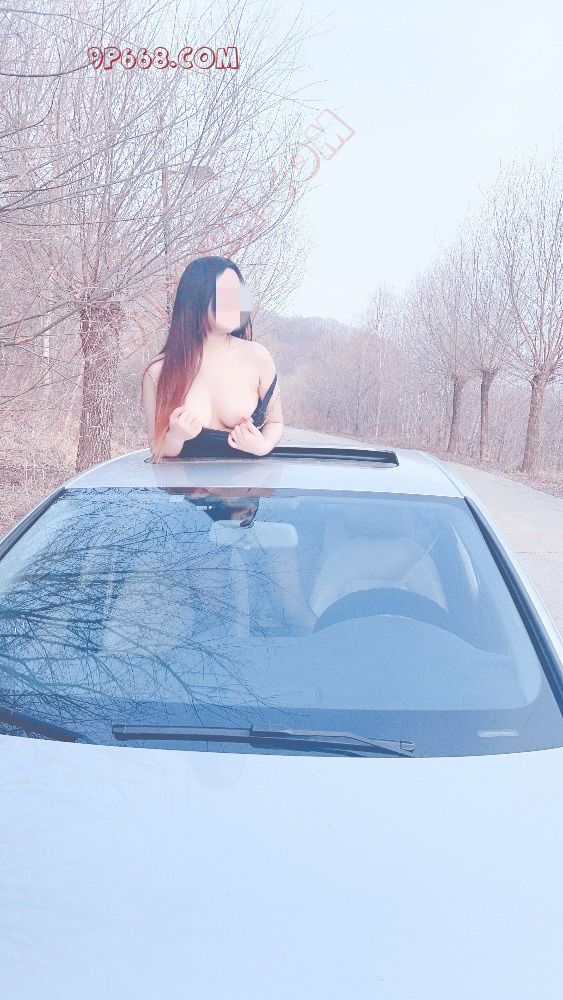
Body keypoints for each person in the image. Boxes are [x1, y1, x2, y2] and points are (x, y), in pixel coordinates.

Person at [140, 256, 284, 461]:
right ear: (197, 298)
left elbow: (275, 423)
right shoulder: (158, 371)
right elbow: (157, 449)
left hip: (248, 480)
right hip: (185, 482)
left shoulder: (257, 356)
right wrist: (176, 437)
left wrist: (263, 446)